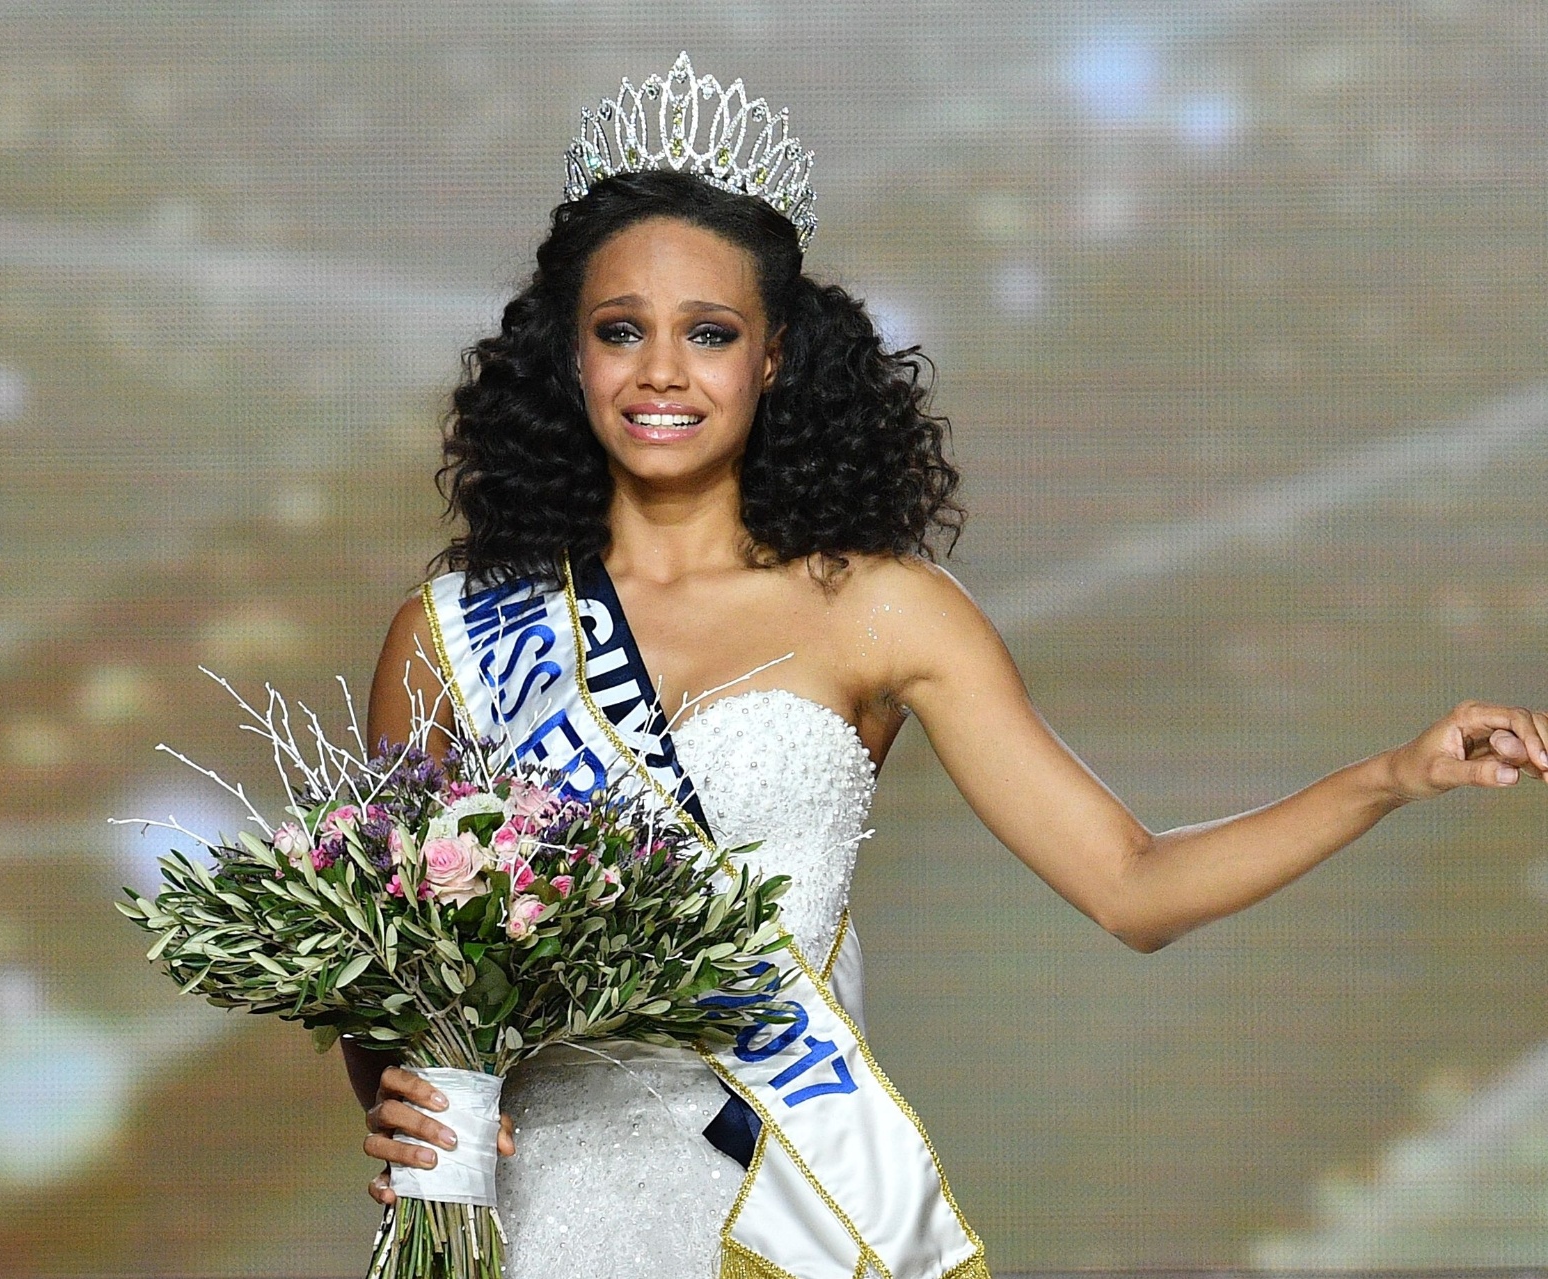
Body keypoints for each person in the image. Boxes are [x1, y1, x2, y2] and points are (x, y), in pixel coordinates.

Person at [342, 54, 1547, 1279]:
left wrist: (1394, 775)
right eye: (621, 331)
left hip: (790, 1205)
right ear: (571, 357)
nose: (662, 371)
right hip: (521, 1218)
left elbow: (1133, 886)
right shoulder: (454, 629)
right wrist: (394, 1097)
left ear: (771, 358)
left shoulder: (883, 612)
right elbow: (380, 956)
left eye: (709, 333)